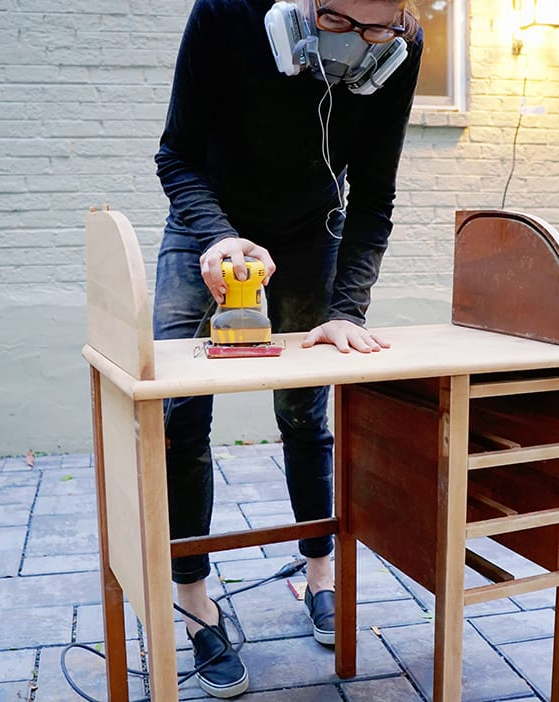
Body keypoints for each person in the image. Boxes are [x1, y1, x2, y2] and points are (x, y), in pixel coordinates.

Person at [153, 0, 422, 697]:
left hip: (311, 232)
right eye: (339, 24)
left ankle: (319, 578)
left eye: (377, 30)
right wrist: (216, 235)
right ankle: (193, 600)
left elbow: (374, 198)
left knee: (307, 410)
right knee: (179, 413)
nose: (360, 44)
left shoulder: (404, 38)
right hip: (204, 225)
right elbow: (175, 153)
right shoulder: (226, 13)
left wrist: (344, 311)